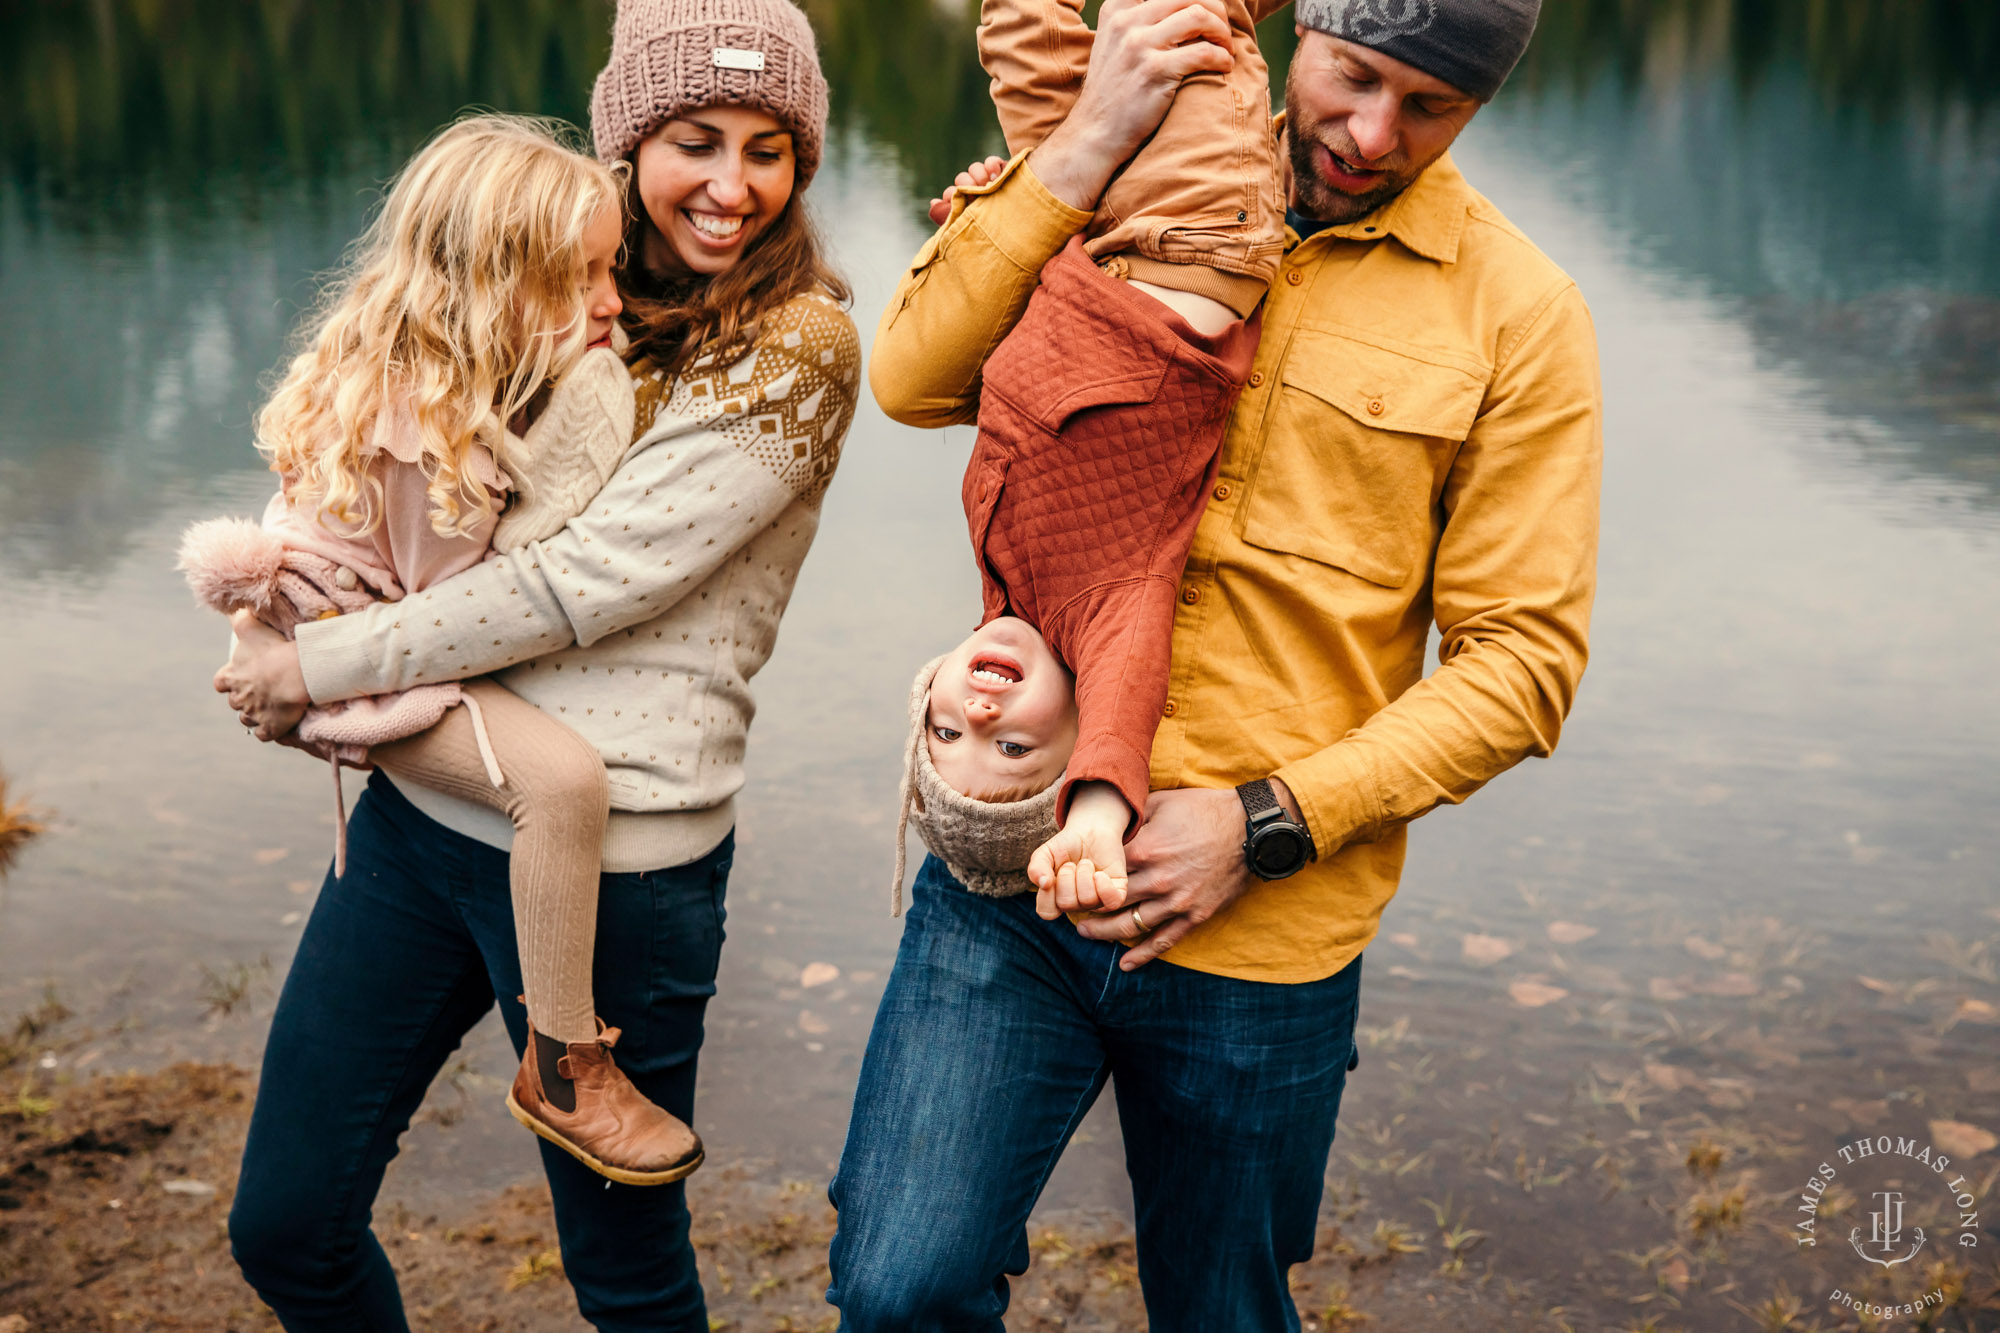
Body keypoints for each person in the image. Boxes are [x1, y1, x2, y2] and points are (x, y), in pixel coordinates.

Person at [831, 0, 1598, 1328]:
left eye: (1430, 105)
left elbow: (1521, 662)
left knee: (1224, 1308)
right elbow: (905, 377)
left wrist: (1263, 823)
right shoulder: (1121, 167)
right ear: (1299, 30)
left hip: (1265, 933)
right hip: (1010, 860)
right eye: (1355, 76)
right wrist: (1071, 156)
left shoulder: (1519, 314)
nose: (1370, 132)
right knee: (899, 1288)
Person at [214, 0, 860, 1326]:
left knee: (623, 1275)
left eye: (768, 148)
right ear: (629, 141)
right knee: (285, 1223)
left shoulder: (799, 346)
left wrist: (317, 665)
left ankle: (569, 1064)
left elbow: (575, 583)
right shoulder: (545, 286)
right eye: (694, 140)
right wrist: (276, 589)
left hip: (616, 859)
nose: (731, 186)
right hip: (420, 810)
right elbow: (388, 477)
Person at [181, 112, 702, 1188]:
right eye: (582, 279)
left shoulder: (418, 361)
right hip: (344, 659)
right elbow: (444, 605)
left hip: (317, 633)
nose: (613, 300)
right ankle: (563, 1062)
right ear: (492, 284)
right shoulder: (419, 415)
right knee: (559, 781)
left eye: (612, 269)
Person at [888, 0, 1283, 915]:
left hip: (1091, 236)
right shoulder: (1106, 611)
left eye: (944, 728)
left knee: (1017, 23)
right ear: (1069, 733)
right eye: (1013, 751)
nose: (978, 718)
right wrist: (1097, 817)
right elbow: (1125, 709)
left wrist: (982, 218)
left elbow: (1014, 374)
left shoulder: (1005, 569)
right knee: (1190, 13)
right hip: (1193, 237)